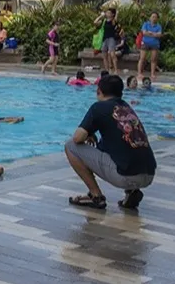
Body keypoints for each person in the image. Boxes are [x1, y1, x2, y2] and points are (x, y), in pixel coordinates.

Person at [66, 74, 156, 211]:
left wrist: (87, 133)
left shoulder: (99, 107)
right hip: (149, 173)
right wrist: (91, 133)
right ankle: (131, 192)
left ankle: (96, 196)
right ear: (121, 92)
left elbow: (77, 138)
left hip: (126, 176)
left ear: (98, 91)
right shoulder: (126, 107)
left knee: (71, 147)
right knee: (122, 145)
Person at [139, 12, 162, 84]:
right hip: (145, 42)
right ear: (150, 17)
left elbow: (159, 35)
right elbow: (144, 33)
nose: (154, 18)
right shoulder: (146, 24)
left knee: (154, 59)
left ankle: (152, 74)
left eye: (155, 17)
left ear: (157, 18)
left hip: (154, 44)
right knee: (142, 58)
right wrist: (154, 34)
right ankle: (140, 73)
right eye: (152, 17)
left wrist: (150, 33)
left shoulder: (159, 26)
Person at [99, 7, 123, 76]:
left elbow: (115, 20)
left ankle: (115, 70)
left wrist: (117, 14)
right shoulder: (104, 21)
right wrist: (101, 16)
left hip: (111, 39)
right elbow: (95, 22)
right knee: (104, 55)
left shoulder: (113, 21)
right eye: (107, 12)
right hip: (105, 39)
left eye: (109, 13)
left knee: (112, 55)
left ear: (112, 14)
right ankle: (107, 70)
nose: (107, 14)